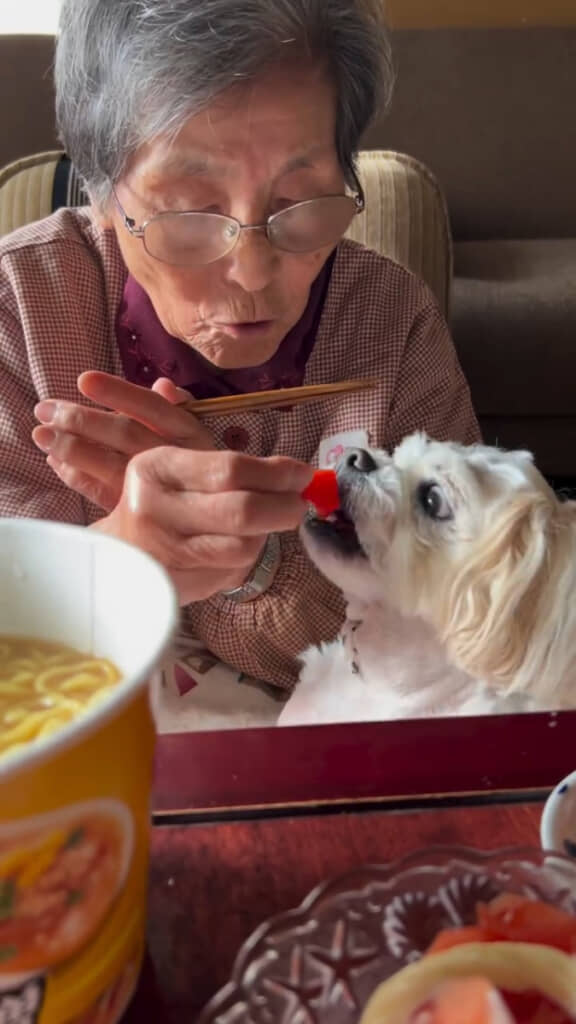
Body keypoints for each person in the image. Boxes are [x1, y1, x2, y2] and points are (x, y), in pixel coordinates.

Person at [0, 0, 480, 691]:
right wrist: (112, 565)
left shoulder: (389, 321)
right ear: (104, 191)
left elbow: (463, 637)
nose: (254, 273)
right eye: (190, 213)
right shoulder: (20, 314)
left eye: (300, 202)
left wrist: (258, 567)